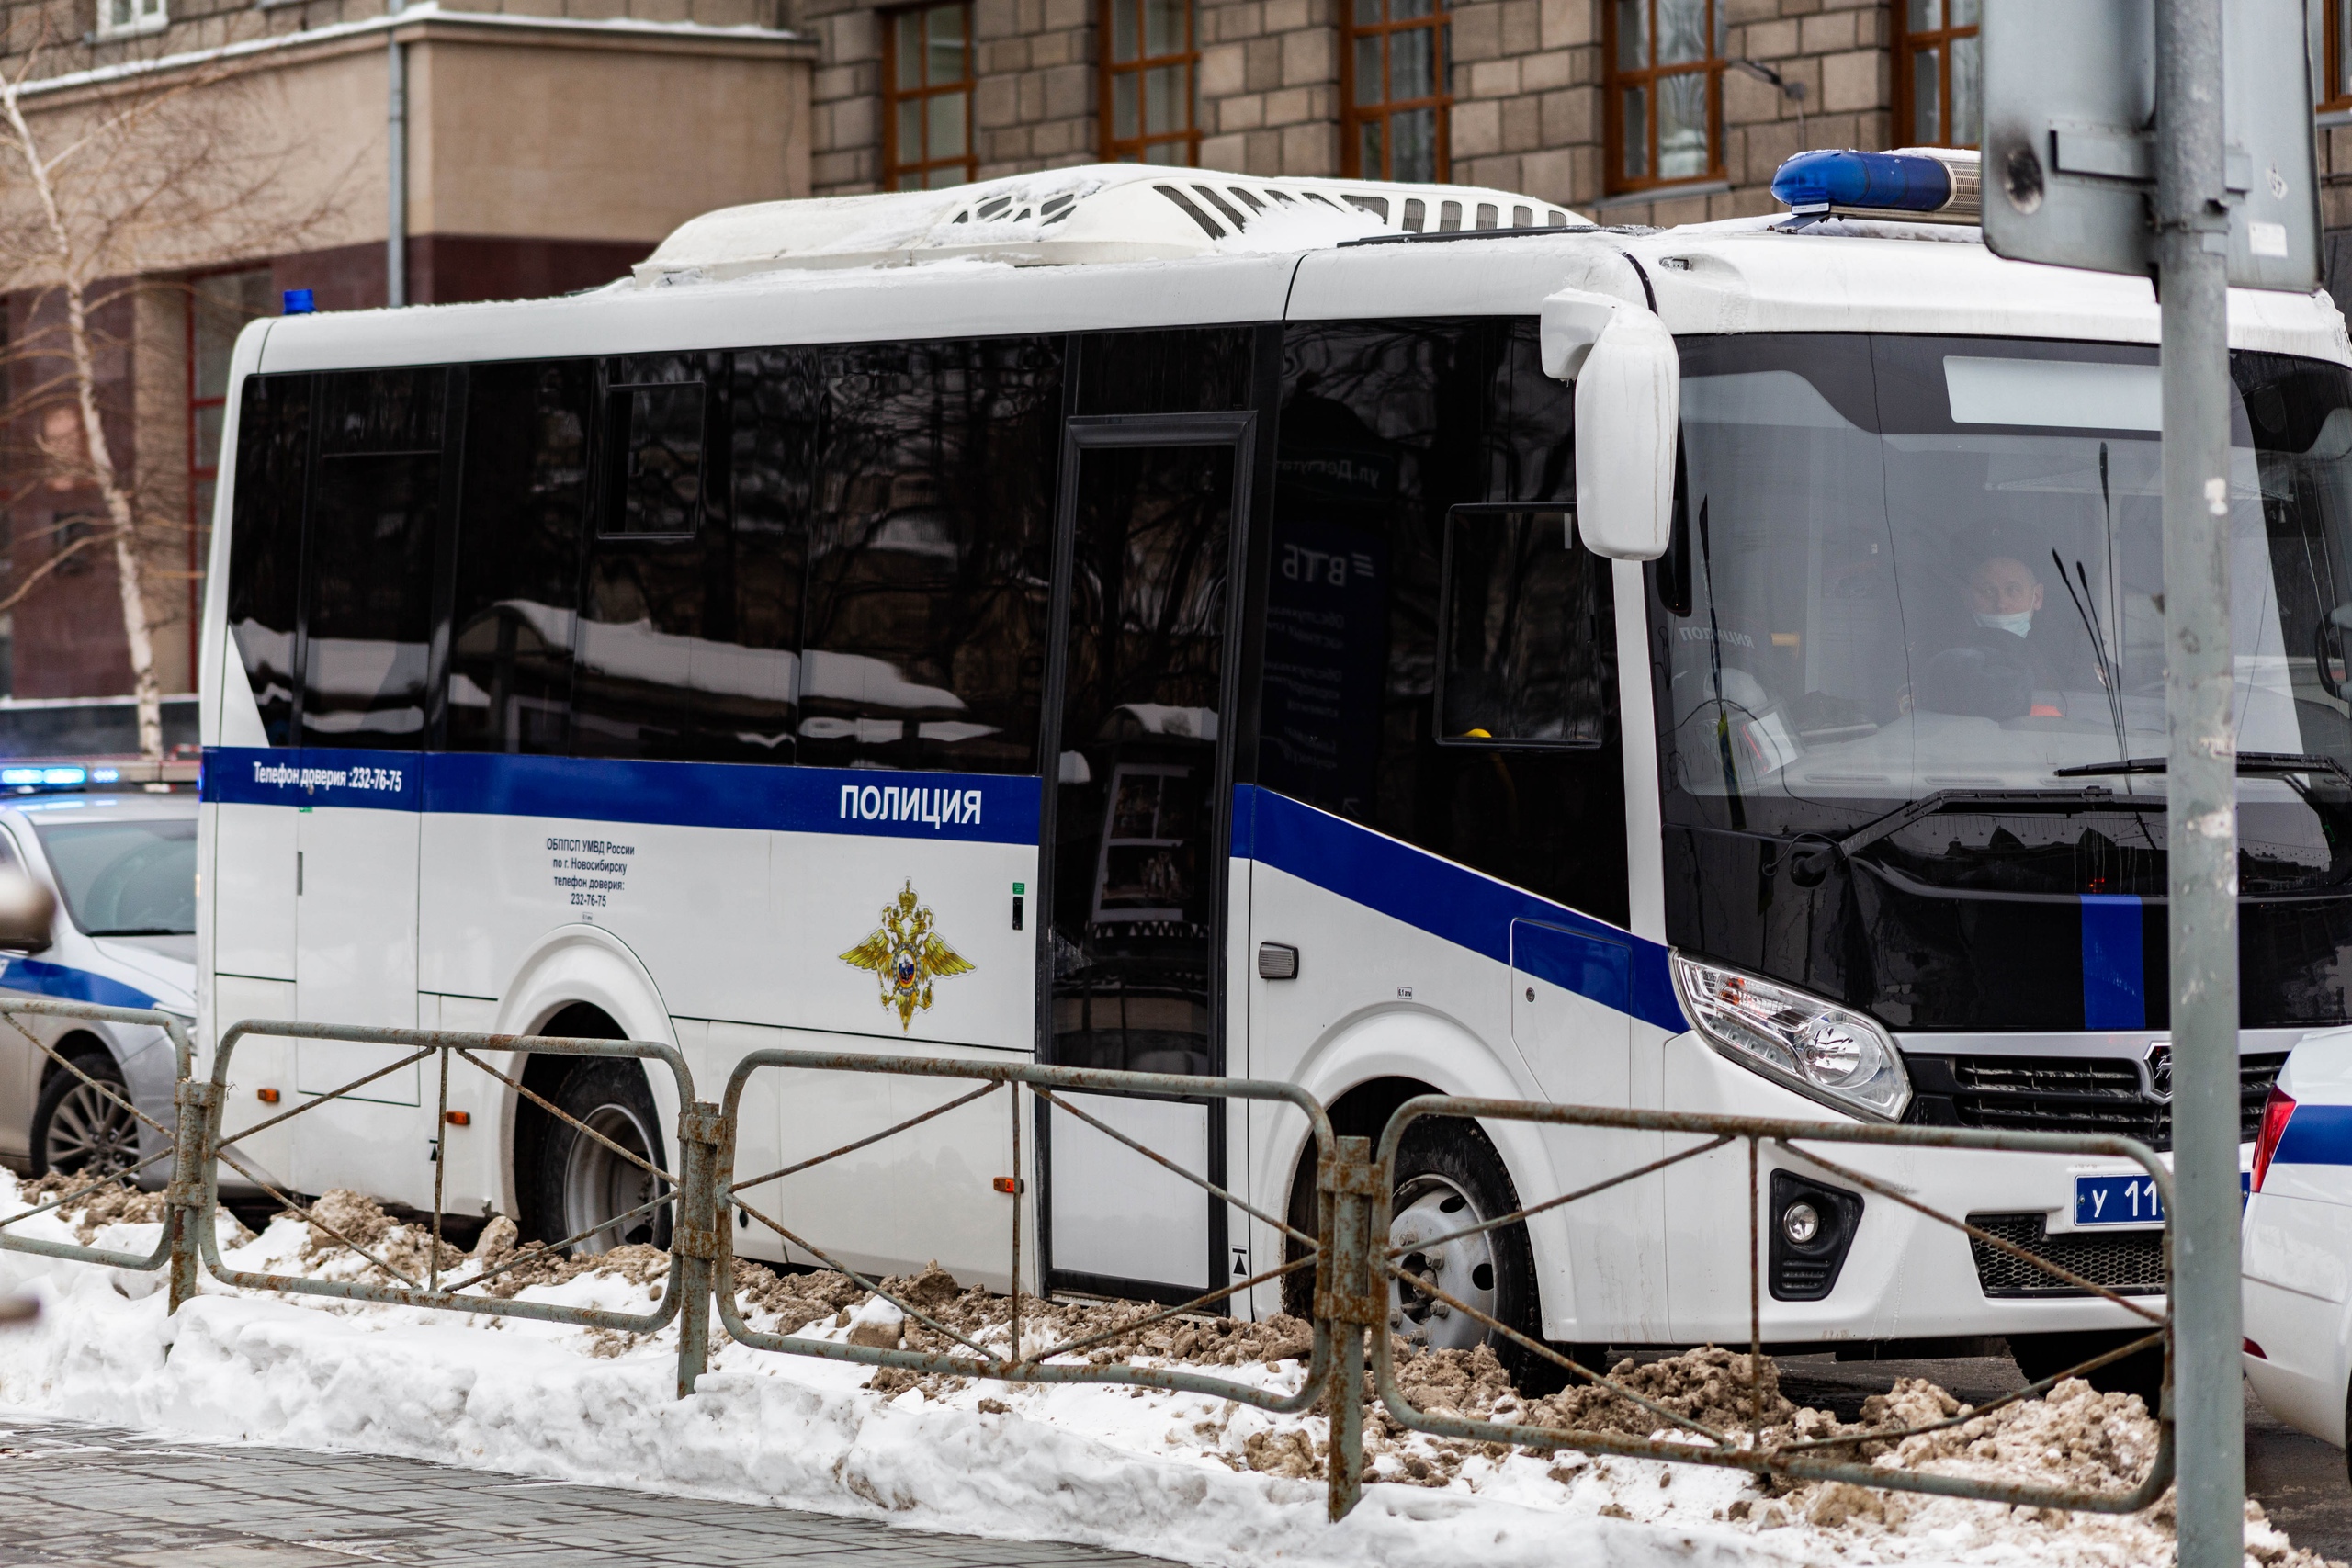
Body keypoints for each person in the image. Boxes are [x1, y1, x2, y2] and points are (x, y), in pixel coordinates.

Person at [1918, 551, 2087, 718]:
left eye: (2013, 590)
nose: (2001, 604)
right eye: (1988, 591)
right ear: (1968, 598)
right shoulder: (1946, 659)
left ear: (2037, 597)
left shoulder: (2074, 658)